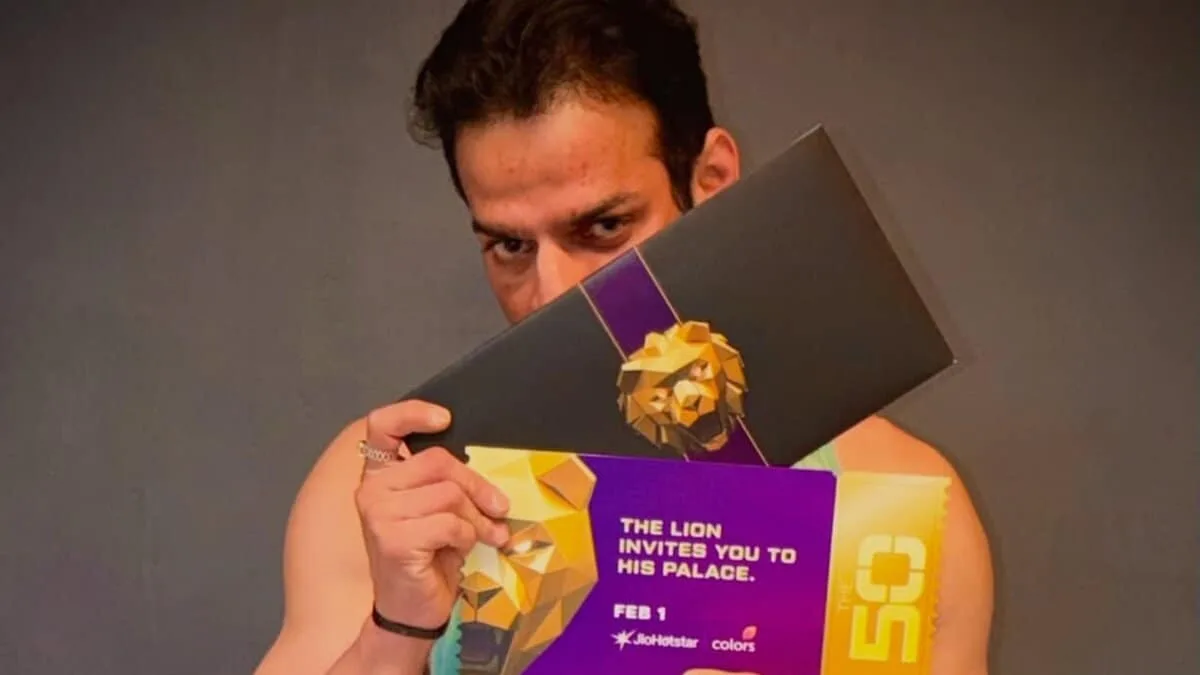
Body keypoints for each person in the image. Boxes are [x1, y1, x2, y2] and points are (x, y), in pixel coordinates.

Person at [254, 1, 994, 674]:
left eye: (604, 227)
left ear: (712, 181)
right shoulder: (392, 487)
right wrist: (393, 635)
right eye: (510, 245)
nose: (553, 293)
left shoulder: (893, 502)